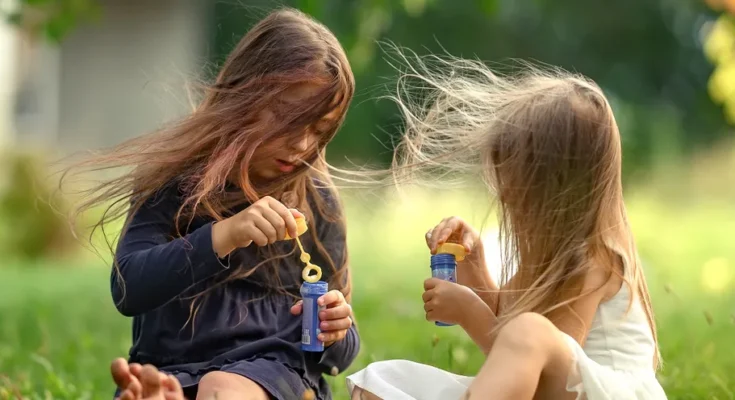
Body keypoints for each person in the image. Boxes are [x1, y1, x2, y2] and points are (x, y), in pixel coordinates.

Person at [63, 8, 359, 400]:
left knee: (223, 388)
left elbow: (336, 357)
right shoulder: (175, 178)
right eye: (289, 120)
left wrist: (338, 329)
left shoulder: (317, 200)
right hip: (171, 369)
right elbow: (129, 287)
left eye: (319, 130)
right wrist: (223, 235)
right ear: (244, 96)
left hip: (273, 374)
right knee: (163, 392)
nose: (303, 144)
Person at [346, 52, 668, 399]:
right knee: (381, 382)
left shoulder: (593, 260)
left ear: (558, 192)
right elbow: (511, 335)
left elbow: (536, 364)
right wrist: (476, 267)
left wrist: (470, 311)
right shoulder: (548, 256)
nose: (505, 201)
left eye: (518, 196)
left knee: (529, 331)